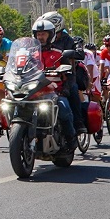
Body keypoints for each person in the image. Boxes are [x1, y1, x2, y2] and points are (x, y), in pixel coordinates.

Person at [32, 19, 76, 151]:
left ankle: (70, 138)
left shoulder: (59, 53)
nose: (40, 37)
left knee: (63, 108)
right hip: (33, 93)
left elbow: (70, 73)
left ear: (50, 35)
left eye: (43, 34)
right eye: (38, 34)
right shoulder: (30, 55)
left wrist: (66, 90)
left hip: (54, 93)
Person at [39, 11, 86, 134]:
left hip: (66, 75)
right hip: (44, 76)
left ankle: (78, 122)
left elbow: (80, 53)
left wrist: (72, 52)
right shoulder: (43, 39)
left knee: (73, 90)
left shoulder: (70, 40)